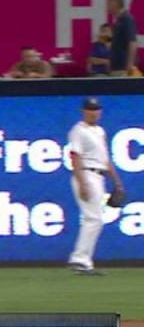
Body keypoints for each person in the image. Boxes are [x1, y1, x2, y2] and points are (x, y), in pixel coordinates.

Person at [67, 97, 122, 276]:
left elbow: (105, 160)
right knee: (94, 218)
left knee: (95, 219)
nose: (94, 112)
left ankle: (82, 260)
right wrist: (82, 183)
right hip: (86, 173)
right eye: (90, 109)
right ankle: (80, 260)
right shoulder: (78, 130)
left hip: (99, 176)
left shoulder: (100, 131)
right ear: (84, 111)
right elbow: (75, 157)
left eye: (97, 109)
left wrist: (117, 182)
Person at [108, 0, 138, 77]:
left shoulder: (127, 19)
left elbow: (132, 43)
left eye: (109, 4)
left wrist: (130, 65)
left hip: (123, 69)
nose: (107, 6)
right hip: (116, 68)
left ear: (116, 4)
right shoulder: (118, 21)